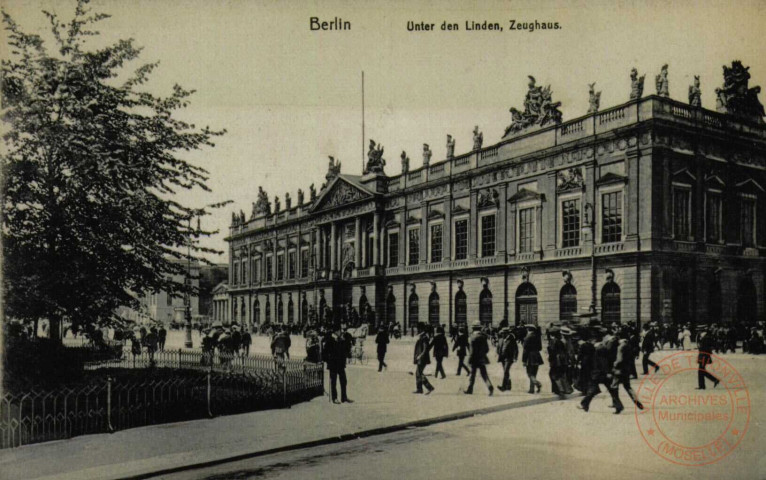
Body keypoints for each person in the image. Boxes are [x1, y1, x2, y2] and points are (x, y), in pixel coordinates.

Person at [579, 328, 624, 414]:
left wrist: (607, 372)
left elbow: (603, 362)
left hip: (600, 373)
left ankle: (584, 404)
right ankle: (618, 406)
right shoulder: (600, 348)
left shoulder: (599, 349)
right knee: (610, 390)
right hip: (601, 373)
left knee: (593, 389)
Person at [612, 328, 644, 410]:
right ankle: (637, 401)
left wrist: (614, 364)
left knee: (614, 387)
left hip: (619, 370)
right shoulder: (628, 344)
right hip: (627, 369)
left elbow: (619, 359)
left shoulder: (620, 347)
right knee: (628, 387)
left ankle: (617, 405)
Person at [463, 324, 494, 395]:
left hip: (474, 359)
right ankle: (490, 386)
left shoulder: (472, 337)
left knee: (472, 374)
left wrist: (469, 359)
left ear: (473, 329)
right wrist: (482, 354)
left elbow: (472, 351)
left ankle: (470, 389)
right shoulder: (483, 337)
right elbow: (487, 349)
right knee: (484, 374)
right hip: (482, 358)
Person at [325, 325, 352, 403]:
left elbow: (345, 350)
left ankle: (344, 397)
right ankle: (334, 398)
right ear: (336, 332)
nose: (341, 332)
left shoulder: (341, 339)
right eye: (340, 331)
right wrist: (328, 360)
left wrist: (345, 342)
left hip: (340, 364)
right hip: (333, 364)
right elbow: (325, 352)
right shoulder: (330, 340)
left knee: (344, 381)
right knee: (334, 382)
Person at [547, 327, 572, 396]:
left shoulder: (553, 341)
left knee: (554, 374)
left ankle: (560, 389)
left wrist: (550, 359)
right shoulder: (561, 341)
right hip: (563, 360)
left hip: (556, 360)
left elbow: (552, 352)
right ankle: (565, 389)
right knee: (561, 374)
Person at [412, 324, 435, 394]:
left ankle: (429, 387)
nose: (416, 330)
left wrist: (420, 356)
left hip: (422, 358)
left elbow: (425, 349)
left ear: (420, 329)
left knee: (419, 373)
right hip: (421, 358)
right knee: (418, 373)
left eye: (417, 329)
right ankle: (419, 389)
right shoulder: (422, 337)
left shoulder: (424, 338)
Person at [522, 325, 543, 394]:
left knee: (529, 373)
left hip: (529, 357)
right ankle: (531, 389)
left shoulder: (527, 338)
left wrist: (524, 360)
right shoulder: (537, 337)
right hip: (537, 356)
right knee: (534, 373)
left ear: (528, 329)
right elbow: (540, 348)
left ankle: (537, 383)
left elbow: (525, 350)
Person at [496, 327, 518, 391]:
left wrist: (515, 357)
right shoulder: (501, 339)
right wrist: (498, 353)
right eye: (502, 333)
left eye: (504, 333)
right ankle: (509, 385)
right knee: (506, 372)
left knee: (506, 371)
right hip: (502, 358)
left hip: (509, 358)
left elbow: (516, 349)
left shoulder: (512, 339)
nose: (502, 334)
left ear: (507, 333)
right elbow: (498, 347)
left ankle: (503, 387)